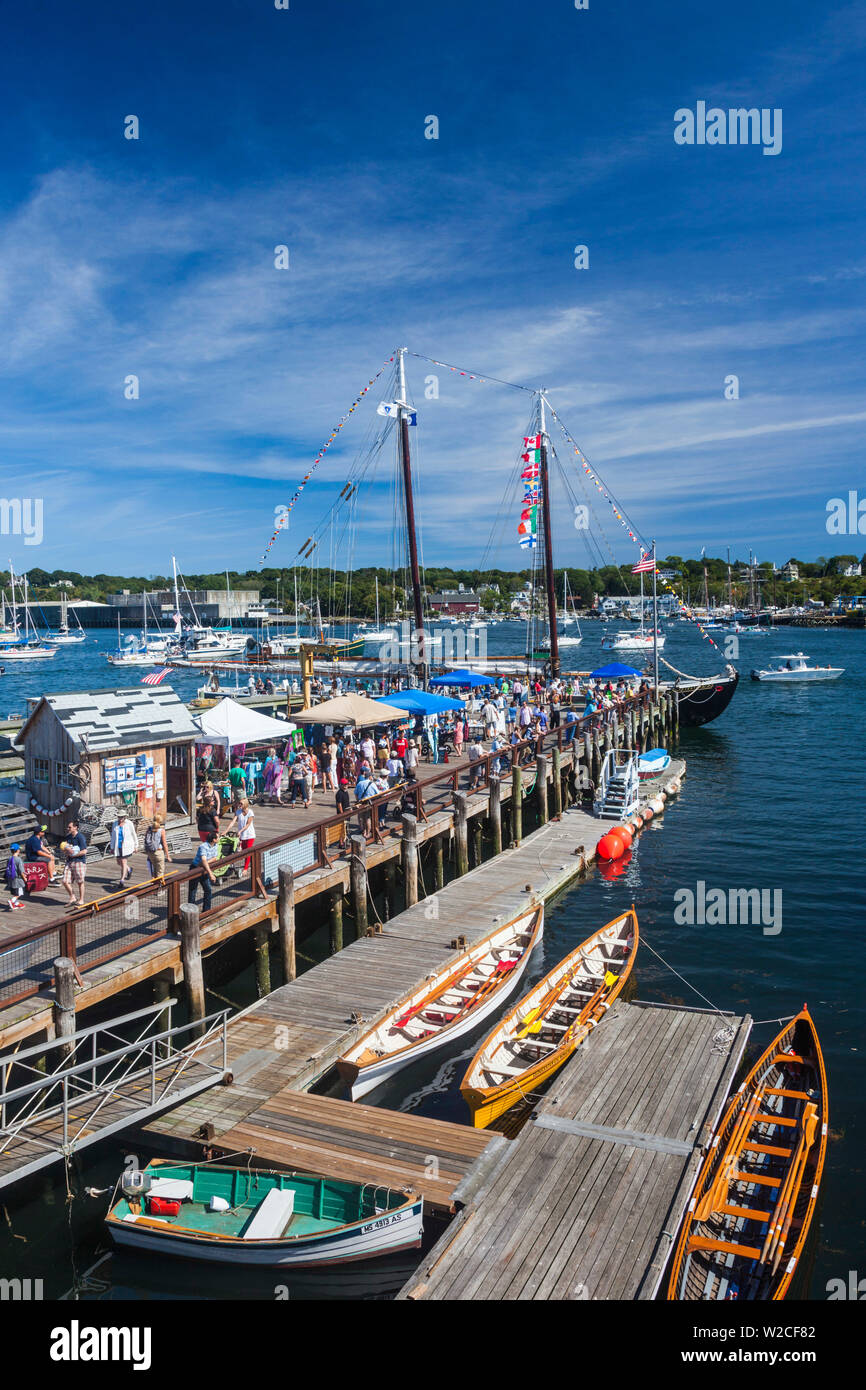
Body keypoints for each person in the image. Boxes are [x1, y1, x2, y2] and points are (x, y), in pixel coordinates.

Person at [188, 829, 220, 911]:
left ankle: (206, 910)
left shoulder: (216, 845)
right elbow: (204, 859)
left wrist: (204, 863)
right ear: (214, 839)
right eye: (218, 837)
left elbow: (214, 858)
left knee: (208, 889)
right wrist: (210, 873)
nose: (219, 838)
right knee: (193, 890)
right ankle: (191, 911)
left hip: (204, 868)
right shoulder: (203, 846)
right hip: (195, 869)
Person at [62, 820, 88, 908]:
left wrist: (74, 854)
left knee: (80, 881)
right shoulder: (68, 837)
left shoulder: (80, 837)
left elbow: (84, 851)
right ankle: (72, 897)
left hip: (79, 861)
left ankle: (81, 900)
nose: (68, 828)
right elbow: (66, 849)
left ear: (75, 827)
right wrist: (66, 851)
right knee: (65, 881)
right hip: (69, 861)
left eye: (69, 827)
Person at [110, 809, 139, 886]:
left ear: (125, 817)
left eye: (122, 817)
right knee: (119, 862)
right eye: (119, 817)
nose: (120, 819)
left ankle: (122, 880)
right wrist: (112, 847)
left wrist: (136, 845)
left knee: (123, 862)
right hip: (117, 846)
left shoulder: (129, 823)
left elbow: (134, 834)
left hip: (126, 846)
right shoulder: (115, 824)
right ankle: (129, 869)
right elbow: (113, 836)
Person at [228, 798, 255, 871]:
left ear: (245, 804)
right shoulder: (238, 811)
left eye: (241, 804)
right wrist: (226, 830)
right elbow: (233, 822)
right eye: (239, 803)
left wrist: (240, 831)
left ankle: (245, 868)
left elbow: (248, 824)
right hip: (241, 835)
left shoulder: (250, 812)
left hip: (249, 834)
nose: (239, 805)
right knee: (243, 851)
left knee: (247, 851)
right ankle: (252, 861)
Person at [143, 814, 172, 879]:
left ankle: (154, 885)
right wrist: (168, 856)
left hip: (150, 853)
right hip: (159, 852)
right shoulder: (161, 831)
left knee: (155, 871)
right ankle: (159, 887)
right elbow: (164, 844)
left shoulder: (149, 829)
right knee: (160, 872)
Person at [4, 842, 26, 909]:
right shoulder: (19, 860)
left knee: (15, 892)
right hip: (18, 879)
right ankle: (11, 901)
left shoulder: (9, 858)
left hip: (11, 878)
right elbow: (21, 871)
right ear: (18, 850)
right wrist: (25, 879)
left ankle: (16, 903)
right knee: (19, 893)